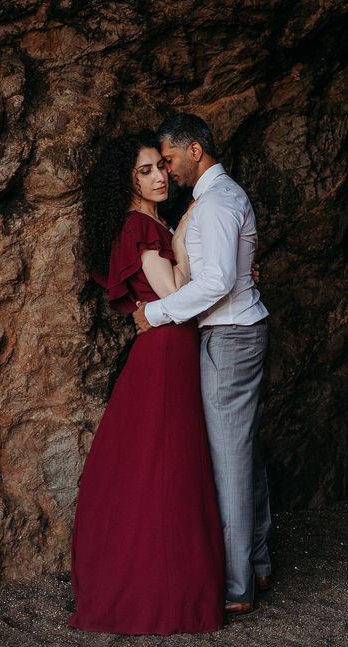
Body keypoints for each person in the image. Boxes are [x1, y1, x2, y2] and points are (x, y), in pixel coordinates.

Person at [68, 131, 225, 635]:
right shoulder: (142, 226)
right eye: (145, 171)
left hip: (165, 352)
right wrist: (180, 239)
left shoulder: (148, 223)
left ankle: (162, 587)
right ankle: (164, 597)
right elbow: (174, 294)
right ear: (127, 181)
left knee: (161, 466)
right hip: (165, 354)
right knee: (165, 470)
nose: (160, 176)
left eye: (161, 166)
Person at [133, 113, 273, 615]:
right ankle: (256, 560)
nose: (167, 171)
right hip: (241, 331)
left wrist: (156, 311)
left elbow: (215, 283)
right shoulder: (221, 198)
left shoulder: (215, 203)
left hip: (230, 335)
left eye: (169, 159)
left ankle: (237, 586)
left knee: (230, 459)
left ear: (195, 150)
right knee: (246, 451)